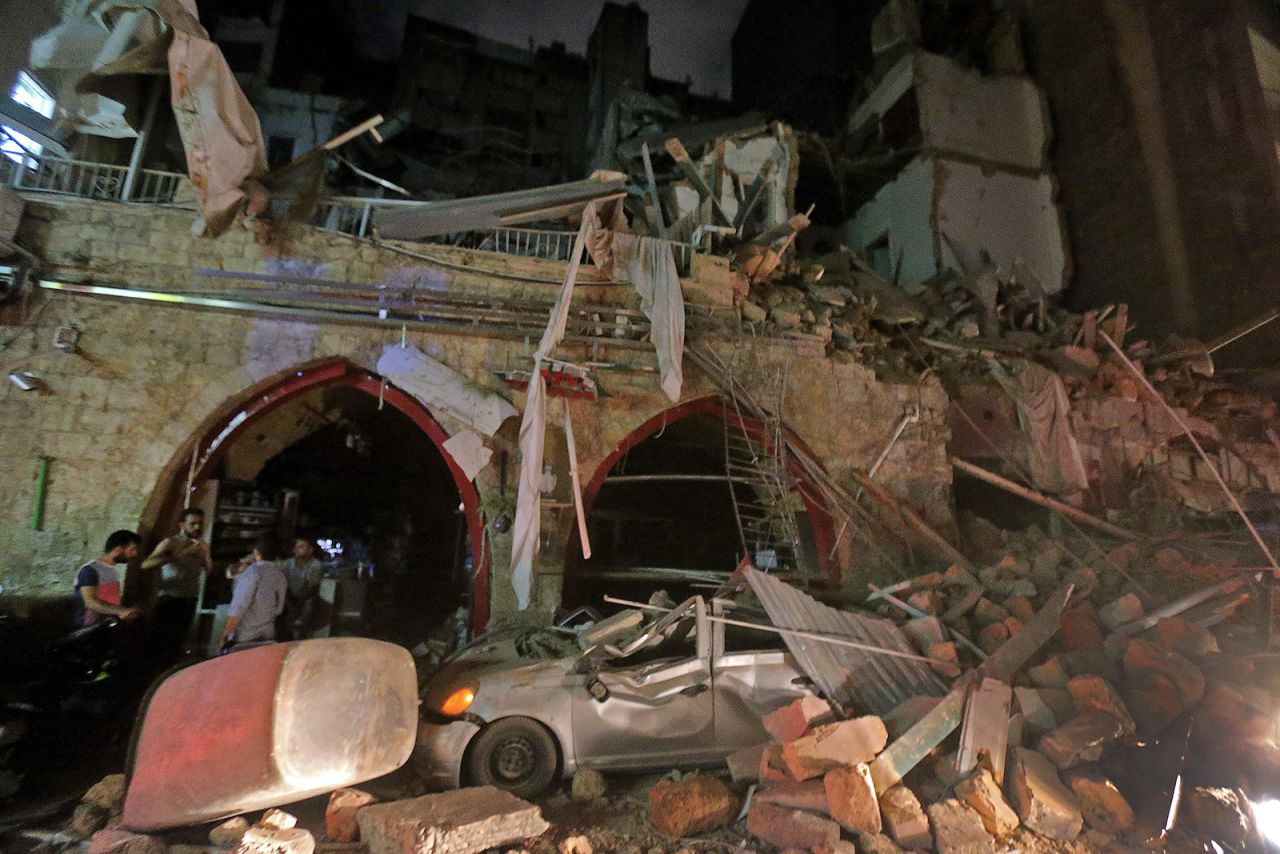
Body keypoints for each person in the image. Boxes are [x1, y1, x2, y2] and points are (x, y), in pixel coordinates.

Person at [141, 508, 212, 664]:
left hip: (189, 599)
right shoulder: (170, 543)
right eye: (192, 524)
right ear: (182, 525)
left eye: (200, 524)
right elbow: (146, 564)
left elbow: (208, 571)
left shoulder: (202, 546)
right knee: (159, 644)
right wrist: (180, 554)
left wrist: (206, 554)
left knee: (178, 643)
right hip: (169, 599)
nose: (197, 527)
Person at [218, 534, 287, 652]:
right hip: (268, 635)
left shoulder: (252, 572)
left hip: (245, 636)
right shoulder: (280, 576)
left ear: (256, 552)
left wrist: (224, 635)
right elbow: (278, 609)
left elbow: (238, 608)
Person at [73, 530, 143, 627]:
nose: (135, 554)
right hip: (87, 629)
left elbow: (111, 600)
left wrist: (124, 612)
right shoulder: (89, 570)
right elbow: (90, 602)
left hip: (105, 625)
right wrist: (122, 610)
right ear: (117, 550)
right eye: (132, 549)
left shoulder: (112, 571)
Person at [279, 537, 324, 639]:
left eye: (301, 547)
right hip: (290, 599)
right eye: (296, 547)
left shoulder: (316, 565)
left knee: (309, 603)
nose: (296, 549)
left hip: (306, 599)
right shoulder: (287, 563)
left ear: (310, 550)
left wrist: (295, 608)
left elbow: (309, 589)